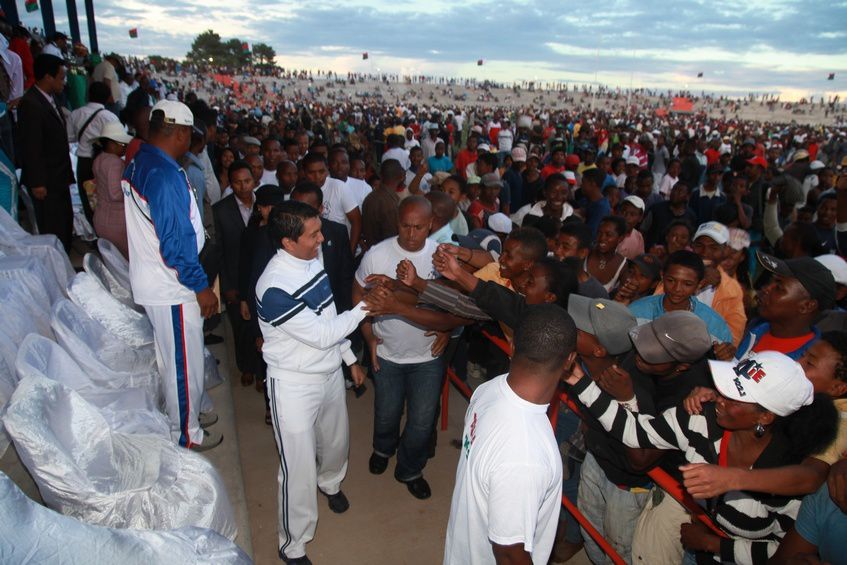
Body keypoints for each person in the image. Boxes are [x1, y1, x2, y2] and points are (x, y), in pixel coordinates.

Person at [564, 350, 838, 564]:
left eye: (733, 396)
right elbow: (635, 432)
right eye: (724, 388)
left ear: (764, 417)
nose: (719, 398)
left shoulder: (785, 474)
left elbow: (785, 552)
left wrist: (714, 545)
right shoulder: (700, 419)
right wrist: (577, 379)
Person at [256, 201, 369, 565]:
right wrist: (367, 307)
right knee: (297, 466)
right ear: (289, 242)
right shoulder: (274, 286)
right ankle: (292, 544)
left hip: (329, 372)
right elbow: (322, 334)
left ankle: (331, 483)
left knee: (336, 441)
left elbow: (329, 314)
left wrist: (349, 359)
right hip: (293, 384)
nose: (322, 238)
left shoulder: (311, 260)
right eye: (314, 234)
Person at [443, 305, 578, 565]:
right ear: (569, 361)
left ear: (513, 345)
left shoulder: (488, 389)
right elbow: (508, 553)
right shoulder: (526, 457)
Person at [122, 99, 221, 450]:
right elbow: (176, 246)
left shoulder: (146, 159)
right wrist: (201, 287)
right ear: (179, 133)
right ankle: (186, 437)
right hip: (173, 286)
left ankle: (183, 421)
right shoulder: (162, 174)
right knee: (184, 366)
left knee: (174, 362)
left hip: (160, 282)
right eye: (188, 135)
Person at [354, 196, 464, 499]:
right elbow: (356, 295)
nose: (411, 233)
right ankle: (383, 448)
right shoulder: (376, 255)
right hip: (387, 353)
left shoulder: (442, 260)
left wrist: (449, 329)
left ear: (431, 225)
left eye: (418, 227)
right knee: (386, 412)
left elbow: (460, 305)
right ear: (397, 223)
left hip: (429, 356)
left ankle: (410, 469)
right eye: (405, 226)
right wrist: (369, 338)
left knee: (422, 420)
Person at [17, 54, 74, 250]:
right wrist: (37, 182)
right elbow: (31, 145)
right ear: (48, 77)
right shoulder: (31, 103)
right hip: (46, 180)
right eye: (61, 77)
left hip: (58, 176)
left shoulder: (50, 99)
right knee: (53, 227)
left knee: (64, 223)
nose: (63, 82)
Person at [736, 251, 835, 360]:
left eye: (779, 287)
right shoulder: (757, 330)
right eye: (770, 282)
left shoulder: (807, 363)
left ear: (807, 306)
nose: (766, 289)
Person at [213, 160, 257, 387]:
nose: (243, 187)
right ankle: (246, 366)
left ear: (254, 180)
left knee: (260, 326)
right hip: (234, 278)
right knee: (240, 326)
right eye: (238, 183)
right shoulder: (220, 211)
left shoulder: (264, 205)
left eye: (247, 181)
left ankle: (261, 370)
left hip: (259, 277)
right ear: (231, 184)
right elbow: (218, 252)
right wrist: (226, 285)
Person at [629, 250, 734, 344]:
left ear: (699, 284)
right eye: (671, 280)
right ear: (662, 276)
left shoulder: (715, 326)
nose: (677, 289)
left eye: (687, 284)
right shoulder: (637, 311)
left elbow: (722, 361)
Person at [69, 81, 120, 223]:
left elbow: (70, 137)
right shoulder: (110, 117)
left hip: (84, 162)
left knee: (87, 199)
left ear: (88, 95)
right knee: (104, 199)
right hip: (104, 163)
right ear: (108, 97)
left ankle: (93, 227)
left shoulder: (76, 114)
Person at [302, 152, 361, 252]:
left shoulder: (339, 187)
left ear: (327, 170)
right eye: (311, 172)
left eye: (321, 171)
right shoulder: (300, 192)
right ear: (304, 172)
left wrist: (350, 252)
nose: (317, 176)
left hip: (341, 250)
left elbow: (357, 222)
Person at [91, 122, 132, 258]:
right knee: (125, 261)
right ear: (112, 144)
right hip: (115, 223)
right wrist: (132, 193)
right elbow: (115, 194)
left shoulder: (99, 159)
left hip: (100, 217)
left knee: (113, 261)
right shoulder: (115, 163)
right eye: (123, 145)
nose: (125, 148)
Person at [585, 216, 627, 293]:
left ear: (620, 238)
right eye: (599, 233)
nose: (602, 238)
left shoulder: (622, 265)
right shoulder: (585, 253)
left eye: (608, 235)